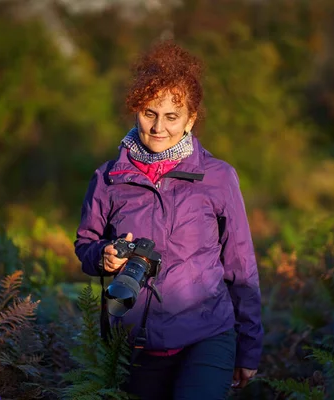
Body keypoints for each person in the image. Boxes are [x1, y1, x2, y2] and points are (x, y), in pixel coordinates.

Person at [74, 40, 263, 400]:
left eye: (172, 116)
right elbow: (85, 244)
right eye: (149, 113)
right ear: (135, 112)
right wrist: (104, 255)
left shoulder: (219, 177)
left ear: (190, 119)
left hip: (208, 335)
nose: (159, 127)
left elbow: (242, 268)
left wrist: (249, 347)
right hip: (135, 343)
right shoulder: (107, 178)